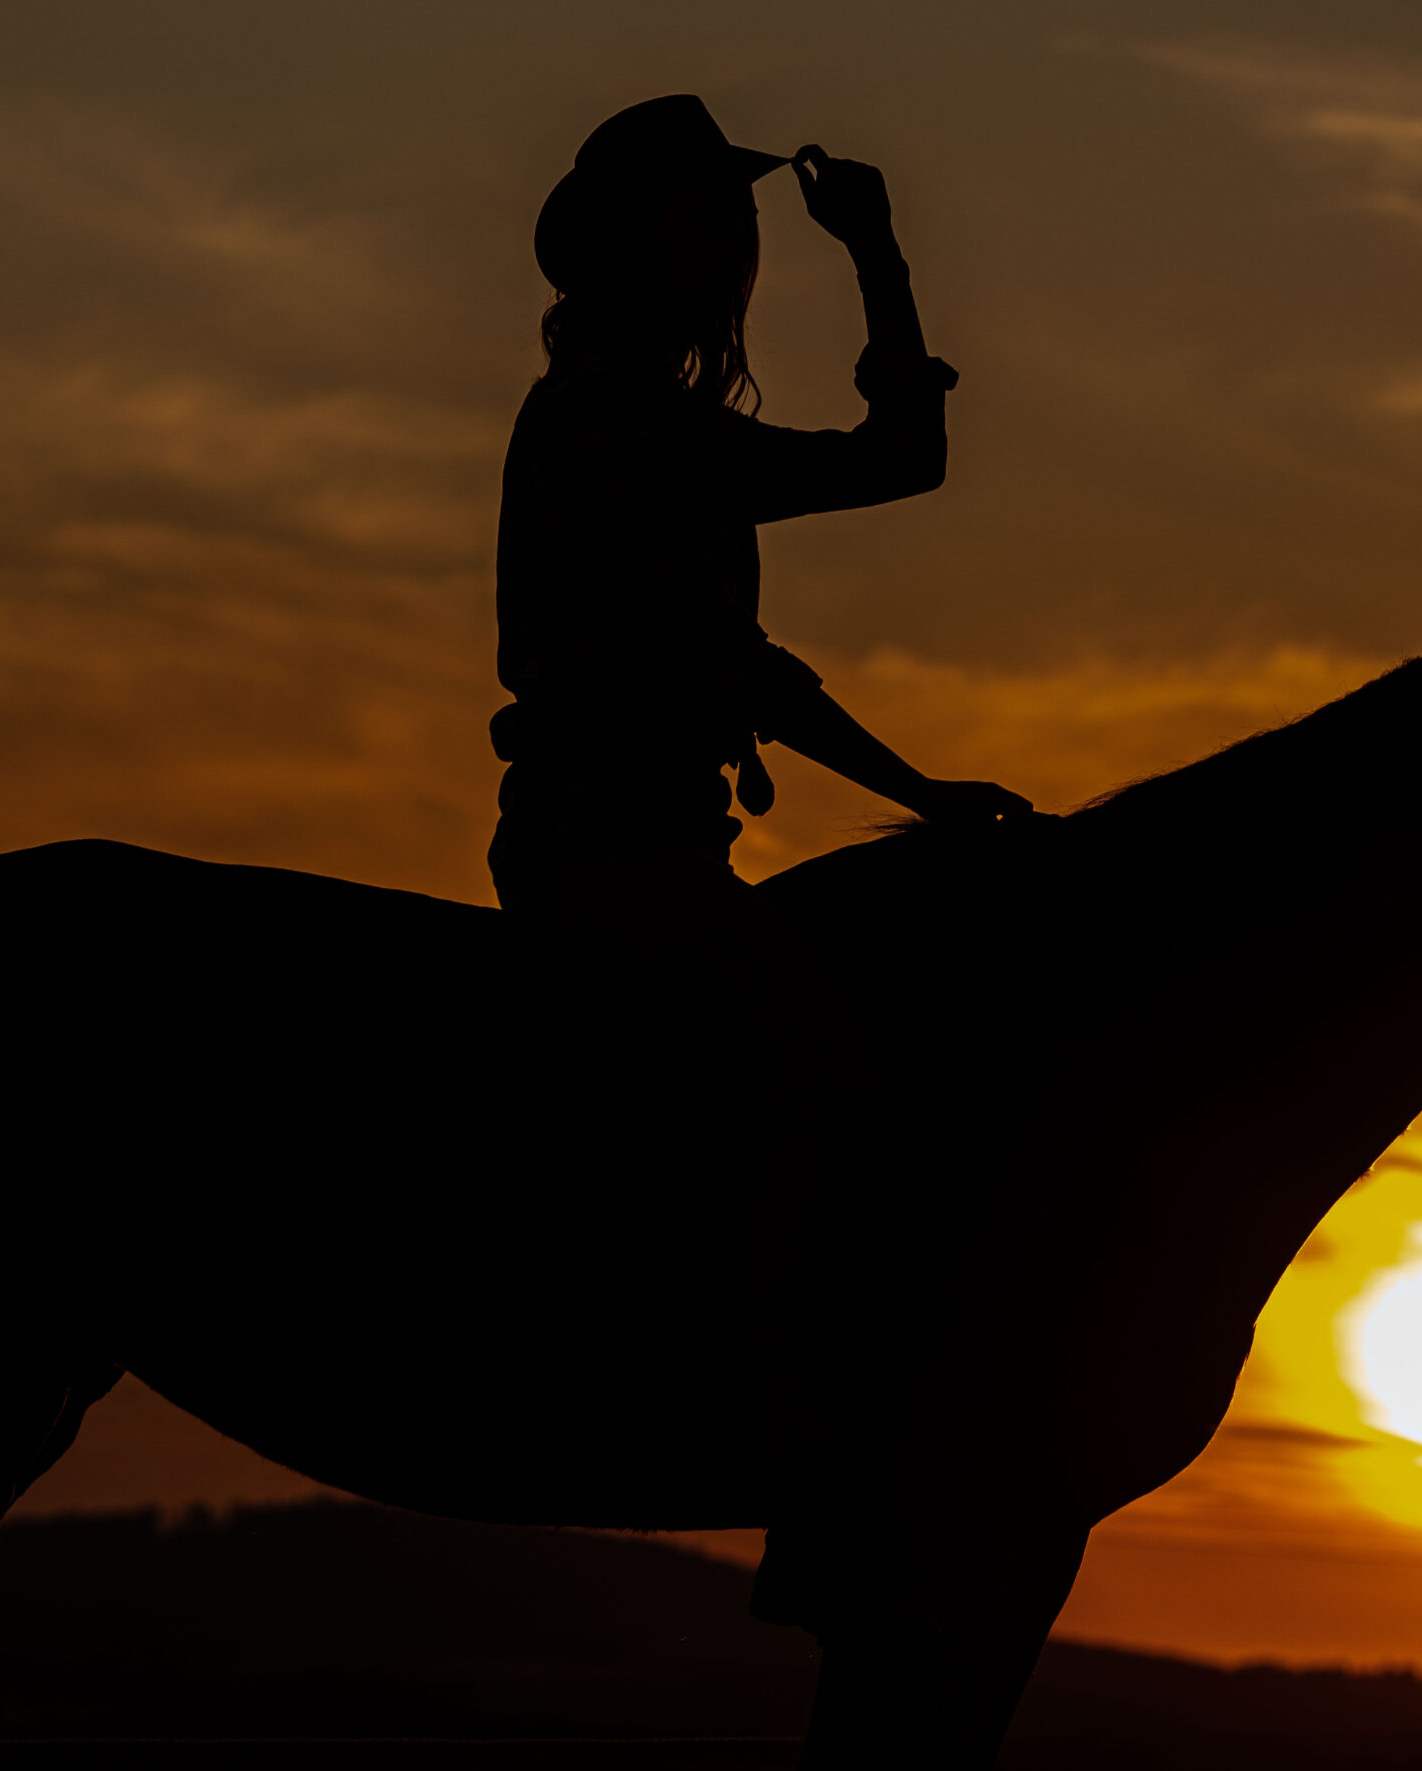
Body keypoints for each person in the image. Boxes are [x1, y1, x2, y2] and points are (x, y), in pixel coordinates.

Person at [488, 93, 1023, 1638]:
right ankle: (814, 1487)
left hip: (663, 845)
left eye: (744, 216)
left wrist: (881, 255)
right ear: (630, 242)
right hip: (608, 855)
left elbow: (904, 457)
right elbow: (734, 667)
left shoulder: (663, 424)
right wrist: (913, 786)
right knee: (834, 1101)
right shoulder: (606, 422)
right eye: (705, 212)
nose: (733, 240)